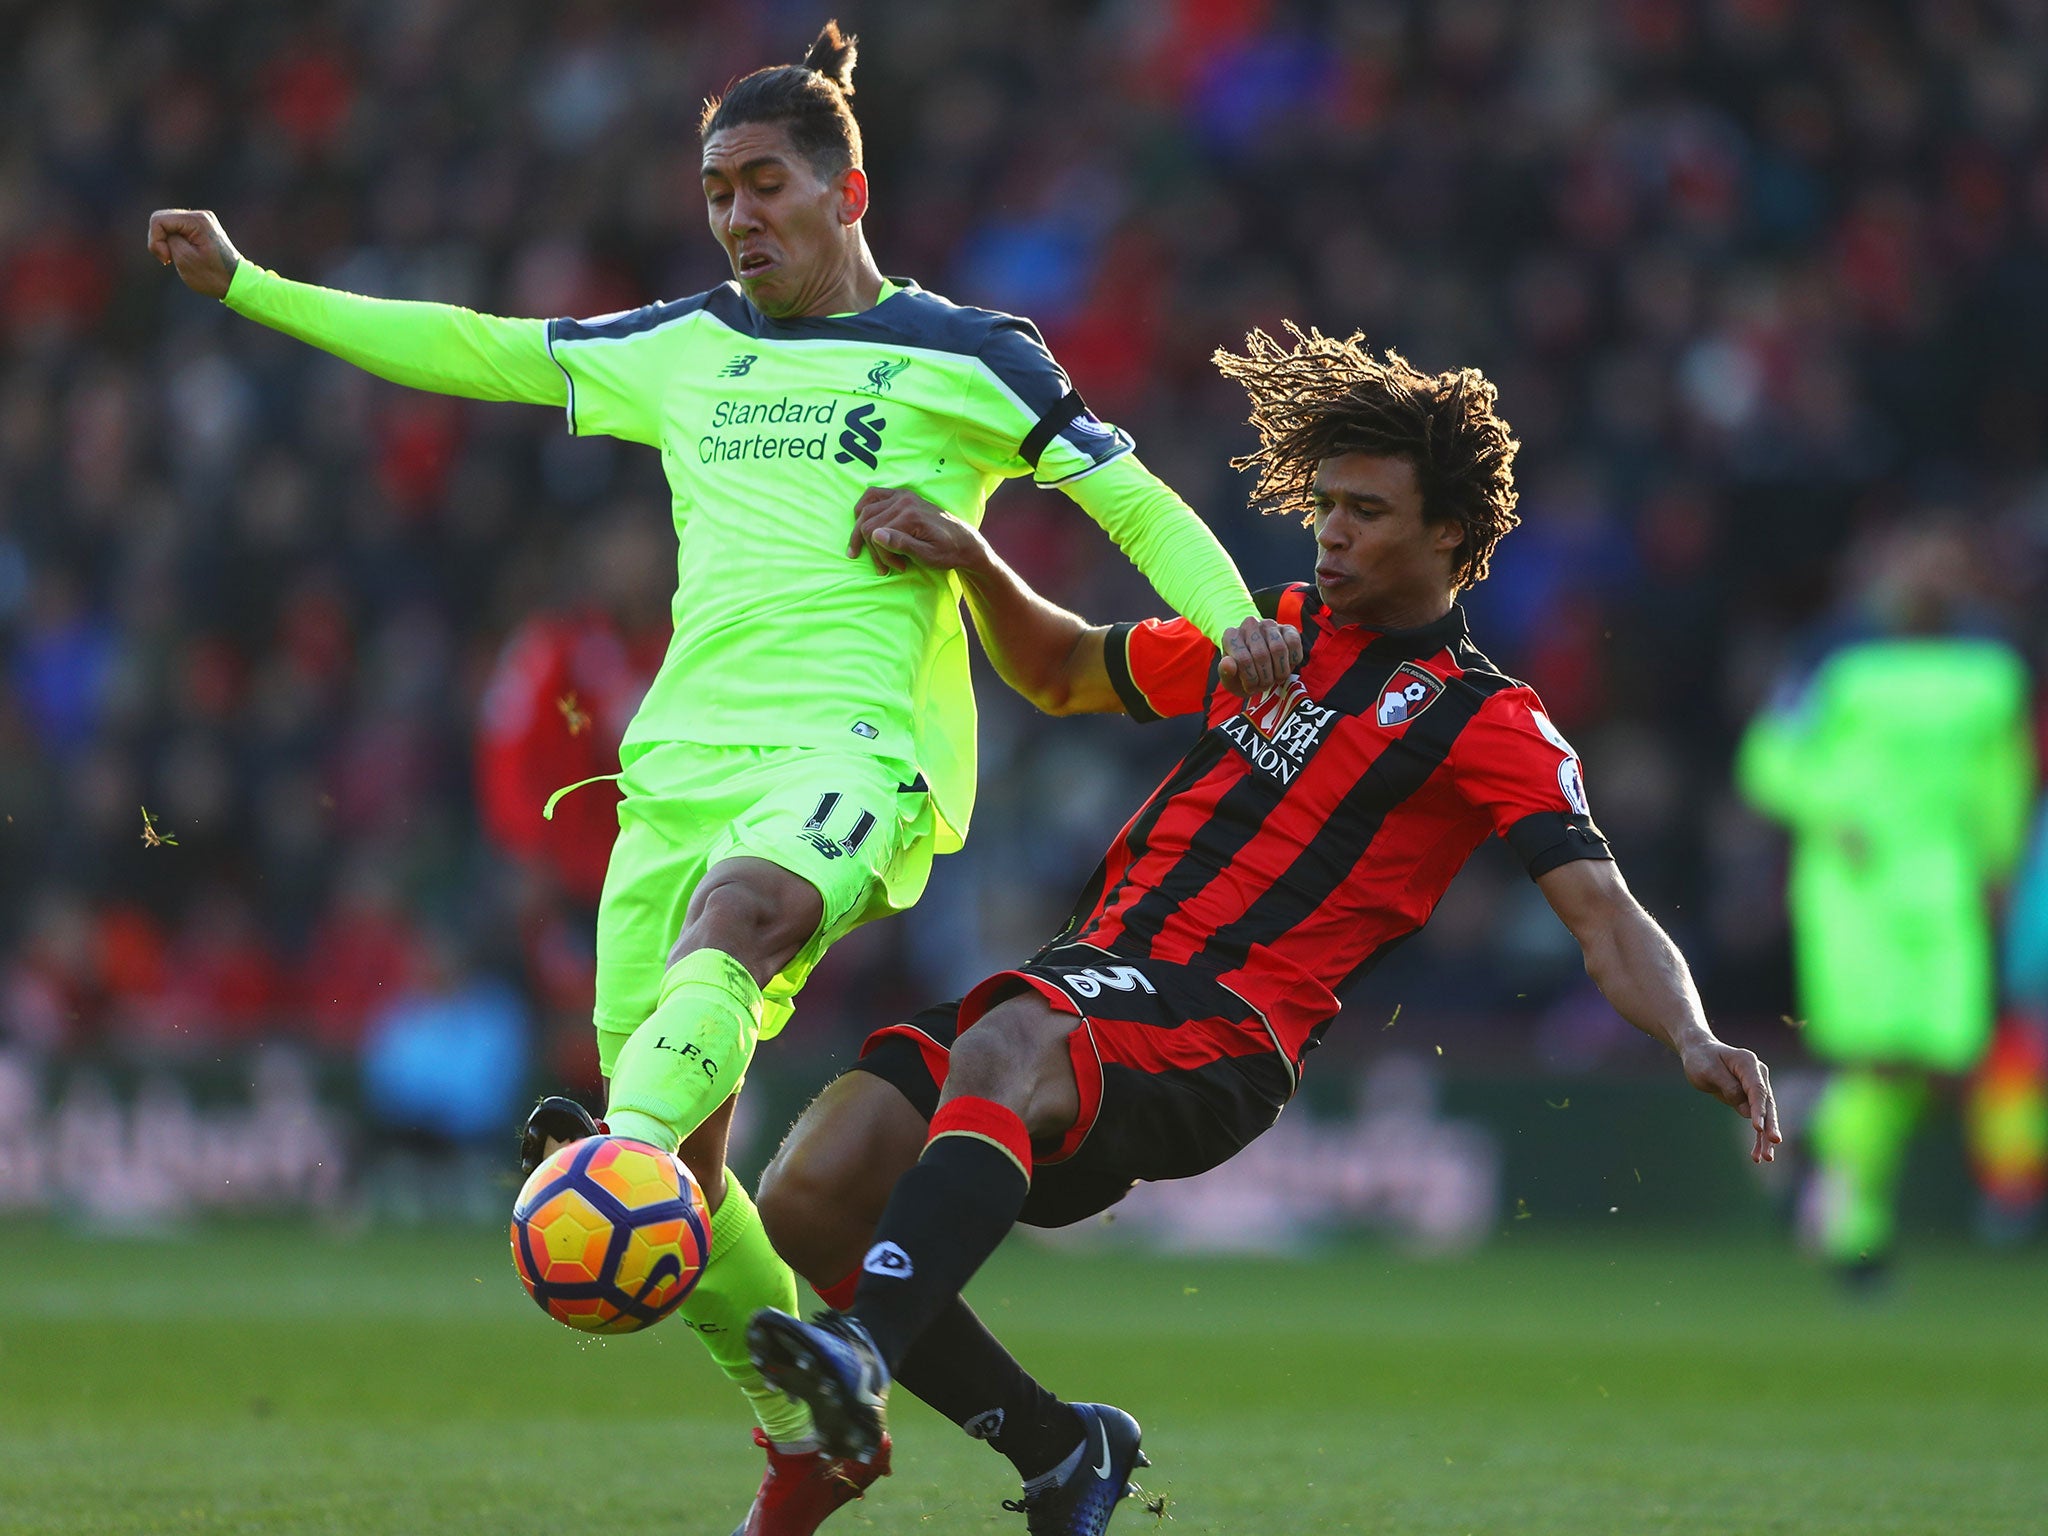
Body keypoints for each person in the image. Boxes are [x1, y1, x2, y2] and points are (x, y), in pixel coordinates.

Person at [147, 22, 1293, 1534]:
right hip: (671, 779)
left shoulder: (970, 353)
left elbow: (1131, 497)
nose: (739, 215)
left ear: (848, 189)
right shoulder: (685, 347)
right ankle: (922, 1434)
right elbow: (483, 347)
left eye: (765, 184)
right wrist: (254, 287)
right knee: (691, 1188)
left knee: (725, 961)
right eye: (717, 194)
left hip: (851, 757)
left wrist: (1232, 623)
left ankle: (609, 1160)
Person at [741, 325, 1782, 1534]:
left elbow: (1600, 910)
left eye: (1367, 511)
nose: (1330, 531)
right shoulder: (1272, 631)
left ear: (1448, 534)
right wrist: (973, 556)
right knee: (811, 1194)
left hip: (1217, 1032)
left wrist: (1691, 1035)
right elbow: (1064, 671)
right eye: (1325, 504)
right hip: (1088, 989)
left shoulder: (1486, 719)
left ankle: (860, 1353)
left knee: (1007, 1038)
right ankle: (1058, 1448)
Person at [1737, 527, 2033, 1283]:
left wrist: (2000, 868)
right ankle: (1856, 1235)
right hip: (1854, 889)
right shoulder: (1830, 656)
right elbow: (1768, 760)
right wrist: (1835, 811)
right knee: (1878, 1058)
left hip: (1946, 889)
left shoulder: (1993, 668)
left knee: (1938, 1059)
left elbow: (2003, 776)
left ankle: (1814, 1140)